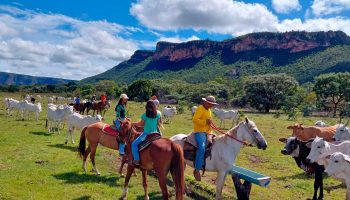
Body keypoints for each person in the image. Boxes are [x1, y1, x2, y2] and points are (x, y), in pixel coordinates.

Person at [192, 95, 218, 181]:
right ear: (206, 102)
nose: (211, 105)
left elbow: (209, 124)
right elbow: (195, 120)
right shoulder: (200, 108)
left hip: (207, 132)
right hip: (199, 131)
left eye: (212, 104)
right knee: (202, 148)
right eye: (210, 104)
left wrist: (210, 133)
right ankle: (197, 169)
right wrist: (205, 122)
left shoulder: (209, 111)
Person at [130, 100, 161, 166]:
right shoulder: (158, 114)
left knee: (134, 144)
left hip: (146, 134)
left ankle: (136, 160)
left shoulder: (145, 115)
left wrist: (132, 123)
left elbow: (140, 124)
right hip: (156, 134)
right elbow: (158, 124)